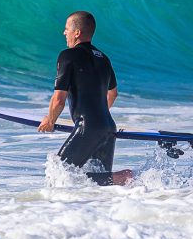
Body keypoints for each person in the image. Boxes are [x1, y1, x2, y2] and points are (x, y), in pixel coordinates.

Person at [38, 10, 133, 186]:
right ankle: (120, 179)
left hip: (88, 127)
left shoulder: (68, 55)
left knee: (60, 174)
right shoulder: (104, 59)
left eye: (66, 29)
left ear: (77, 32)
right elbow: (113, 93)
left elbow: (59, 98)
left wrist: (50, 120)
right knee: (97, 186)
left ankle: (122, 176)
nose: (64, 33)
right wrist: (99, 115)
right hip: (108, 127)